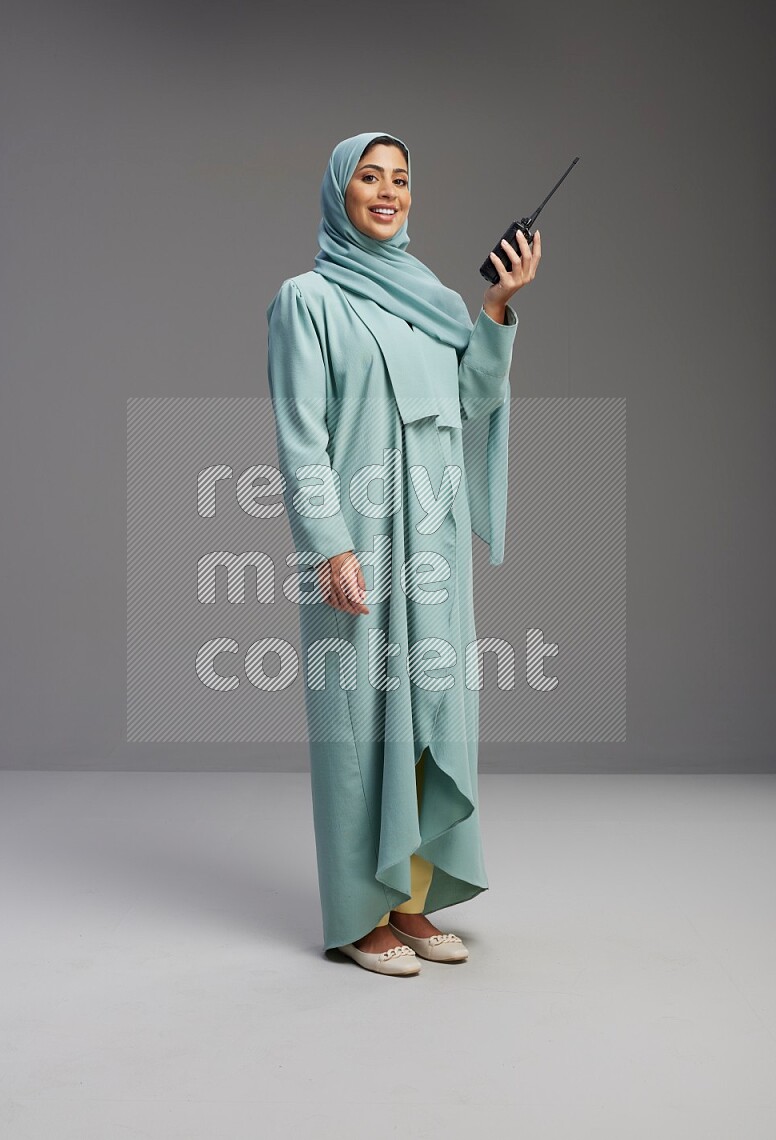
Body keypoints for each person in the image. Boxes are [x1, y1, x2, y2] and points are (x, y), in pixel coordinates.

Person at [266, 131, 541, 976]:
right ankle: (357, 916)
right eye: (369, 179)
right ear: (339, 192)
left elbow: (468, 400)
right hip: (357, 542)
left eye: (401, 180)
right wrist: (327, 546)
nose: (387, 193)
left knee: (432, 715)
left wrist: (495, 307)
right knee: (357, 726)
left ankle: (412, 903)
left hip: (433, 538)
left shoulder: (435, 299)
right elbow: (300, 437)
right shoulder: (305, 300)